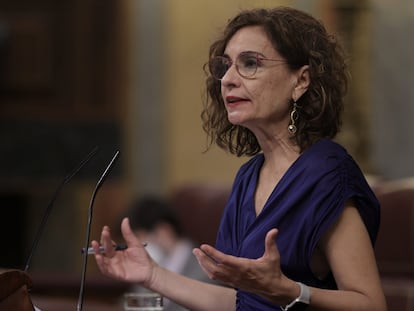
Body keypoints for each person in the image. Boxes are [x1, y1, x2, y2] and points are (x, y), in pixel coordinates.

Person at [92, 7, 387, 311]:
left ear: (300, 81)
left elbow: (372, 305)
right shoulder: (249, 177)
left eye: (250, 63)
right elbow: (242, 303)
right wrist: (152, 274)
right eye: (225, 66)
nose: (228, 79)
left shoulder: (327, 174)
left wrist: (290, 291)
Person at [122, 195, 216, 311]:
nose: (137, 247)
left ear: (164, 231)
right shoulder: (156, 264)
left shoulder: (203, 269)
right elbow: (132, 303)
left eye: (142, 240)